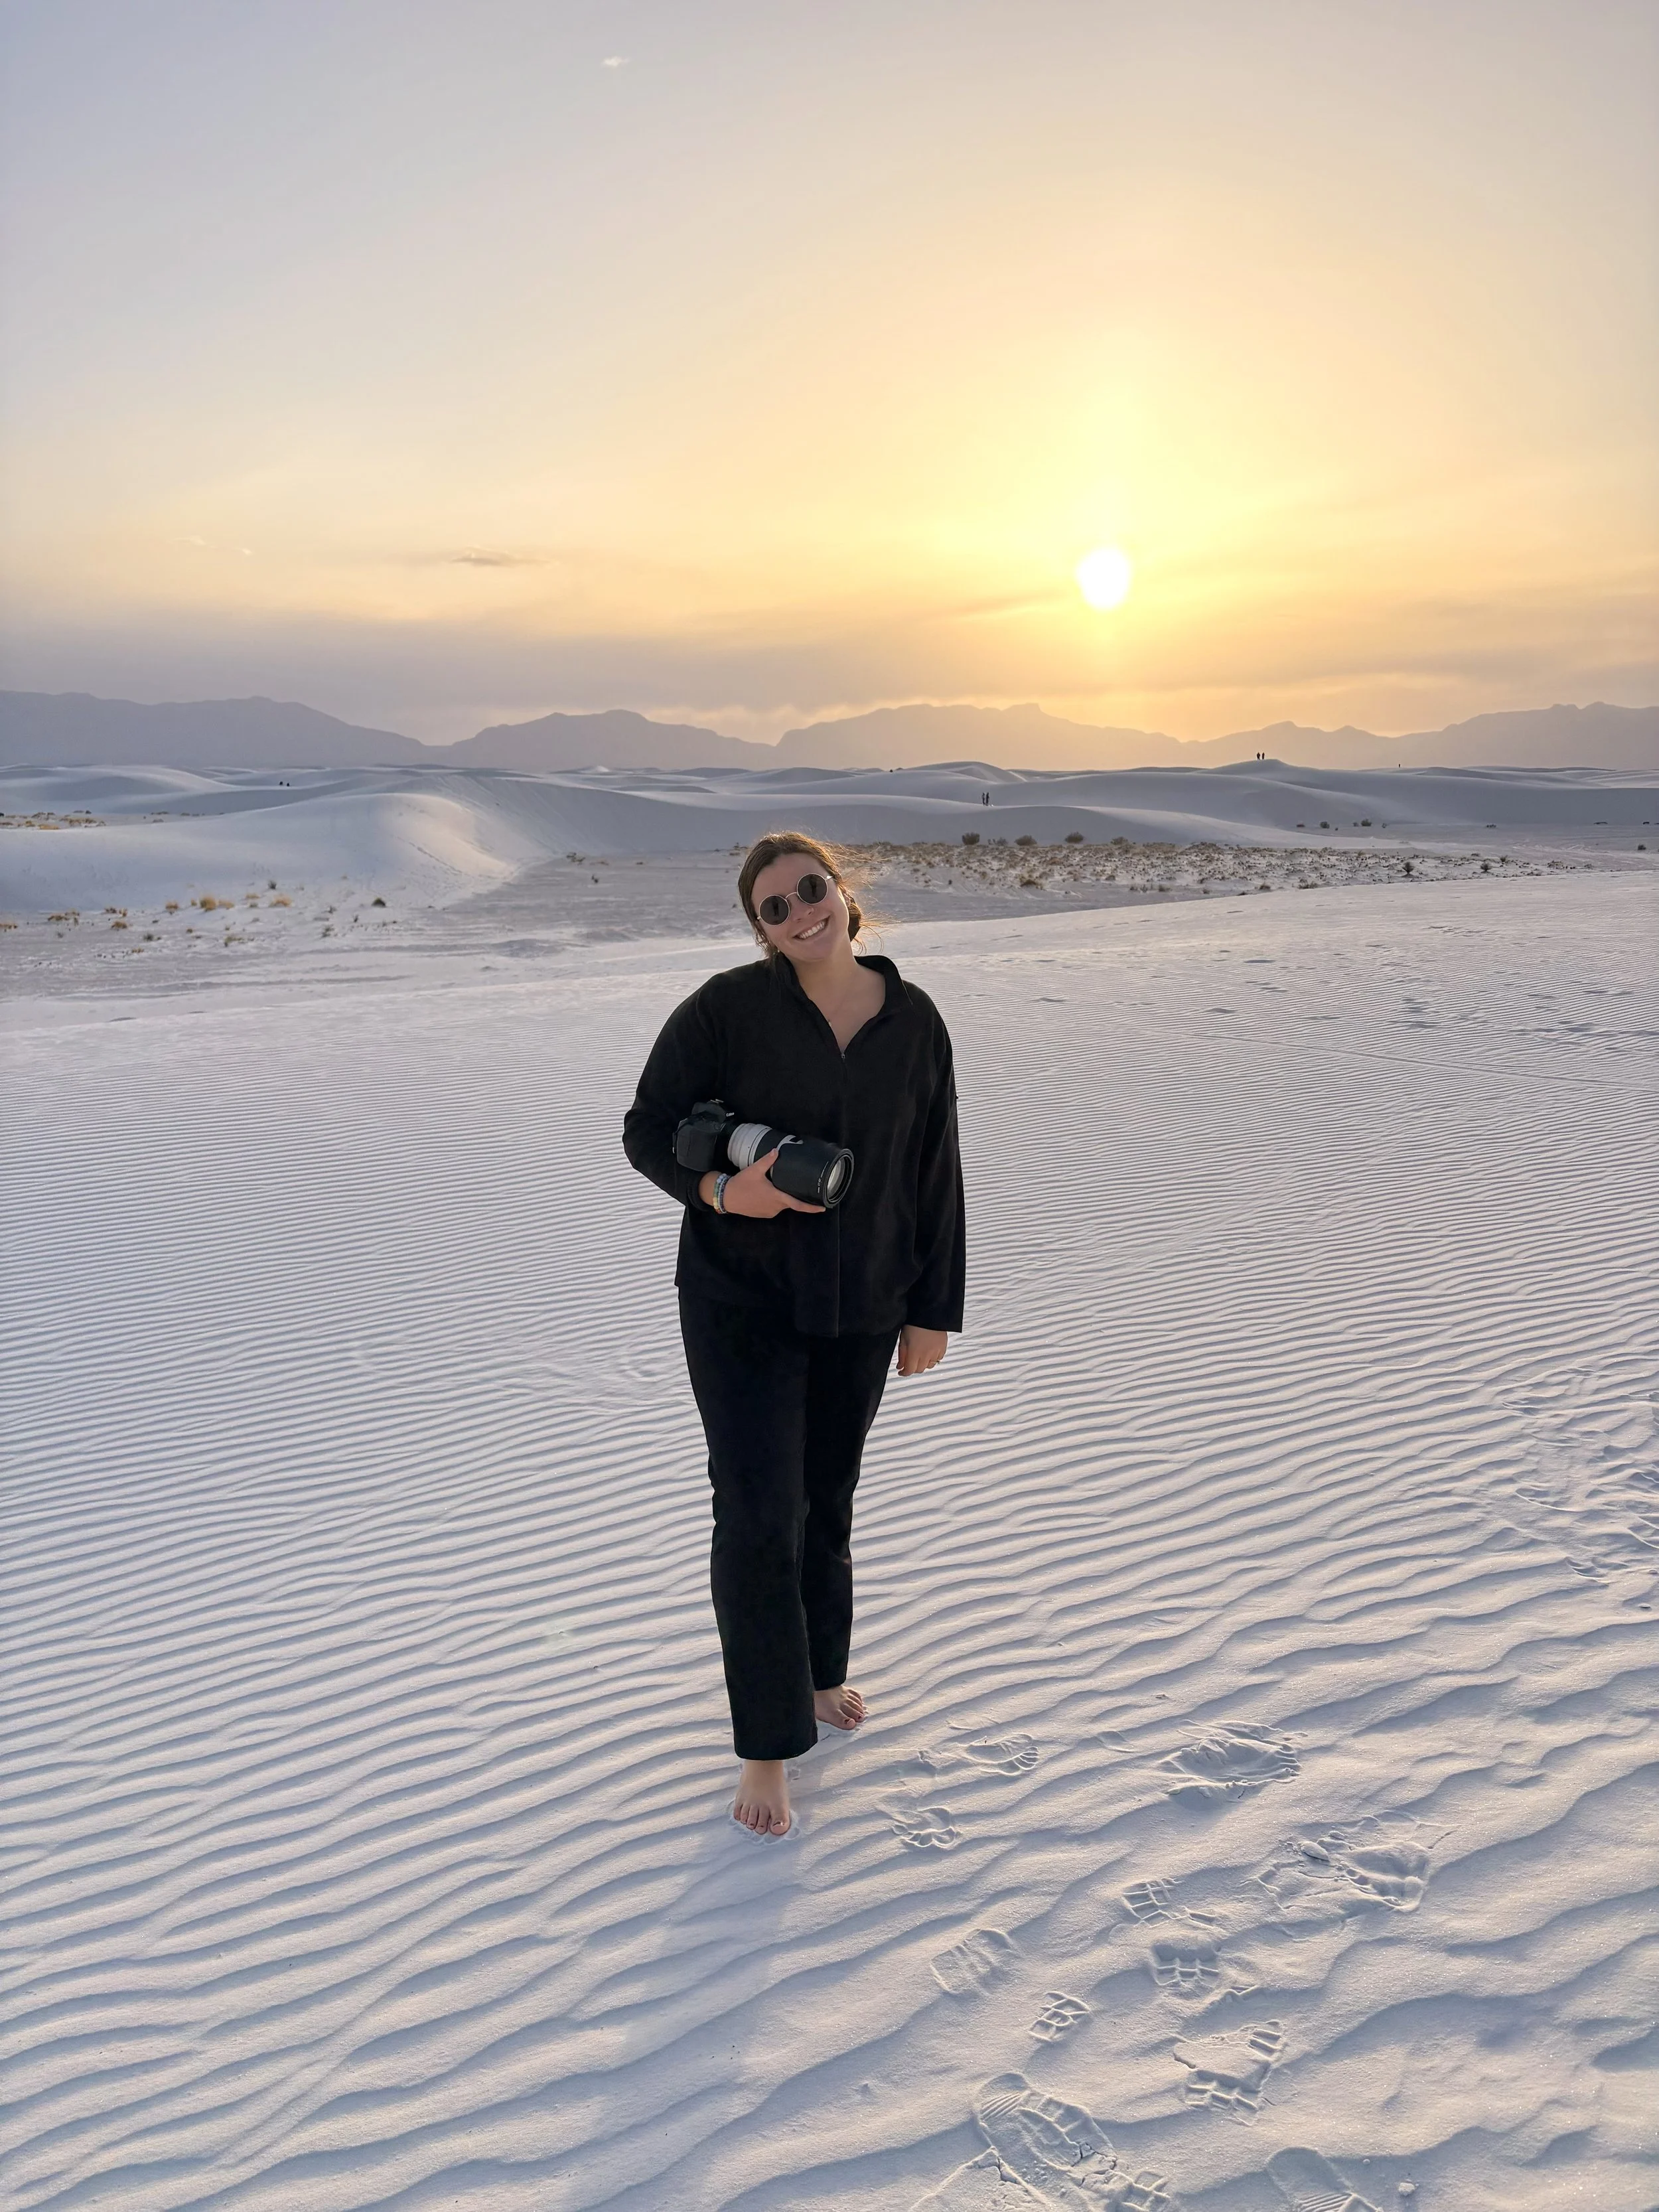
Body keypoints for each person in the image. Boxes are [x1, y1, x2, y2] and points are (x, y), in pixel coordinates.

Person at [622, 832, 966, 1836]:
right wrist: (725, 1192)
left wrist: (932, 1305)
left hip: (865, 1304)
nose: (799, 914)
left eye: (810, 890)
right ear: (760, 929)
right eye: (773, 908)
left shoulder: (914, 1018)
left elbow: (935, 1166)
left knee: (828, 1499)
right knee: (759, 1514)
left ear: (842, 891)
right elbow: (647, 1128)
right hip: (742, 1304)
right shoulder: (725, 1010)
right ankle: (767, 1747)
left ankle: (818, 1676)